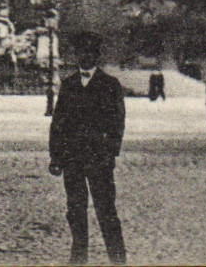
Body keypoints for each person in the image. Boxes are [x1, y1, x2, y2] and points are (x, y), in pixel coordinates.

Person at [48, 32, 127, 265]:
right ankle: (78, 256)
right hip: (72, 158)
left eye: (90, 53)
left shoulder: (110, 85)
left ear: (97, 56)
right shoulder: (69, 84)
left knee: (106, 210)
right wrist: (56, 157)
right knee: (75, 209)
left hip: (98, 158)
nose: (86, 57)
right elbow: (59, 122)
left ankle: (118, 258)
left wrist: (110, 152)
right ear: (77, 55)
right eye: (82, 53)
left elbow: (117, 122)